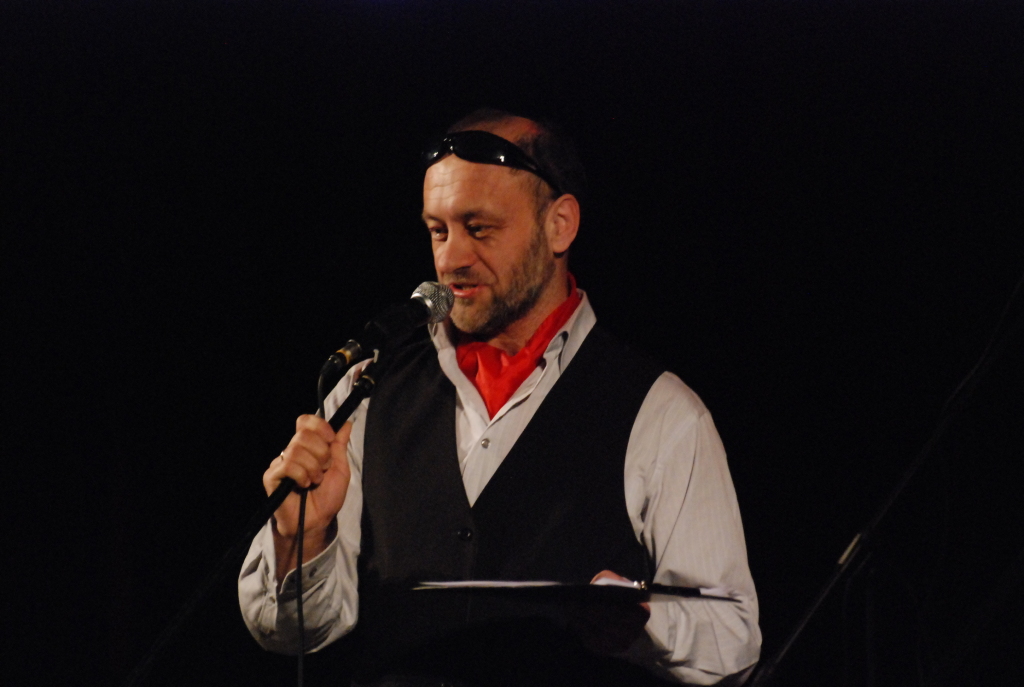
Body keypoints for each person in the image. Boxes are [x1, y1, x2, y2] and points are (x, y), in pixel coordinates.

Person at [239, 109, 761, 686]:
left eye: (479, 228)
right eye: (438, 231)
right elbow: (290, 632)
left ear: (559, 225)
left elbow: (732, 639)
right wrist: (302, 536)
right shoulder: (367, 389)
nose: (450, 260)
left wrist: (642, 626)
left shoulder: (661, 412)